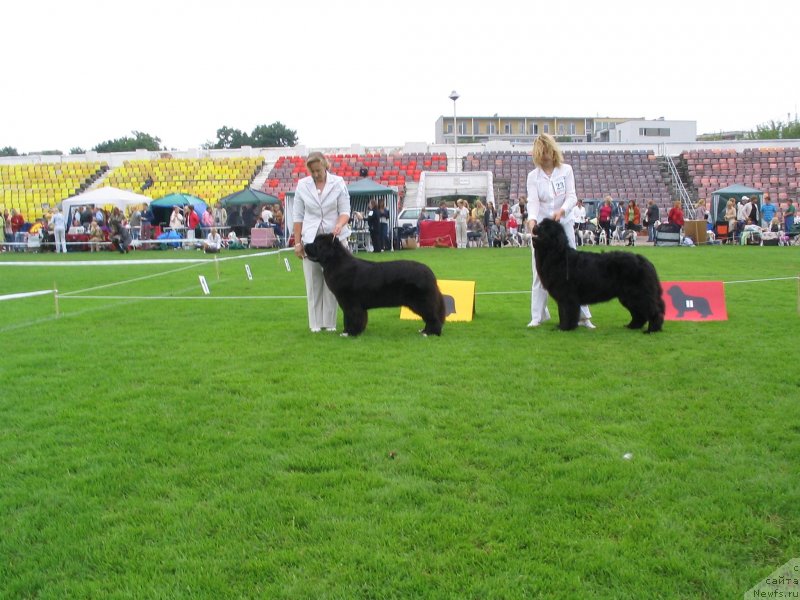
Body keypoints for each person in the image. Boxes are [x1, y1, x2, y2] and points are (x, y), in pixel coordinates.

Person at [526, 133, 594, 329]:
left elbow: (572, 196)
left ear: (553, 151)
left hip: (563, 225)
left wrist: (562, 210)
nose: (545, 156)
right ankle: (537, 316)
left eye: (548, 151)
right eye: (541, 153)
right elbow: (533, 202)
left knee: (574, 271)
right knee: (539, 272)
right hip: (543, 230)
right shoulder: (533, 177)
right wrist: (531, 221)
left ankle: (583, 316)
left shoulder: (566, 170)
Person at [292, 151, 351, 333]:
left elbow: (345, 211)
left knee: (334, 283)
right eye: (312, 172)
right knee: (313, 282)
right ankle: (315, 324)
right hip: (311, 241)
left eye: (318, 170)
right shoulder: (302, 186)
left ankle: (330, 323)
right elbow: (298, 216)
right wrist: (297, 242)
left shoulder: (338, 183)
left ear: (326, 165)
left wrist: (339, 225)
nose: (316, 174)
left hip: (335, 242)